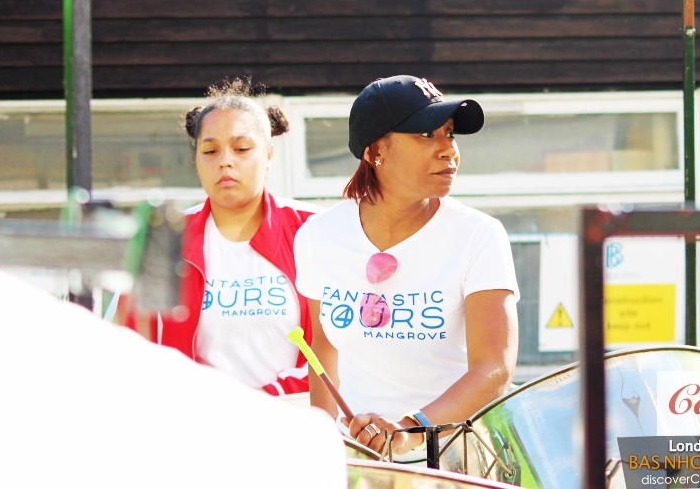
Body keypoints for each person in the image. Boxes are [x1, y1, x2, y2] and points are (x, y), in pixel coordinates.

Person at [294, 75, 520, 456]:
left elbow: (493, 367)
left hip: (452, 460)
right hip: (357, 462)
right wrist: (323, 451)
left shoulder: (479, 235)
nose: (449, 150)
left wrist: (409, 430)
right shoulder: (319, 235)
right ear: (375, 151)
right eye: (427, 135)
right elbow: (324, 350)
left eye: (450, 134)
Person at [122, 80, 321, 396]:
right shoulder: (165, 237)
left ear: (269, 155)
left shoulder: (311, 231)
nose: (225, 161)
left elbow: (341, 350)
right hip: (193, 426)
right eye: (210, 150)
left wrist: (265, 398)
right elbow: (129, 341)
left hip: (291, 423)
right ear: (196, 159)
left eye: (242, 149)